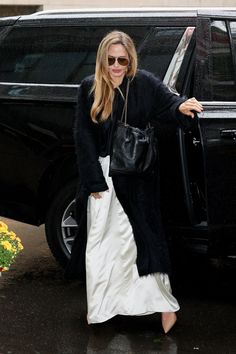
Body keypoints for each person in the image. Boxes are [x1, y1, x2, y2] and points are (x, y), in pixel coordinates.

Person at [65, 31, 203, 334]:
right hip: (103, 180)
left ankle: (166, 308)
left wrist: (181, 107)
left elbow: (169, 103)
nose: (116, 65)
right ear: (103, 59)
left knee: (142, 245)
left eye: (122, 60)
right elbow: (83, 138)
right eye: (111, 60)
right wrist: (94, 182)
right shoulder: (90, 87)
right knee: (102, 246)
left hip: (136, 181)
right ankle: (102, 308)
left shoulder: (144, 83)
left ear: (130, 60)